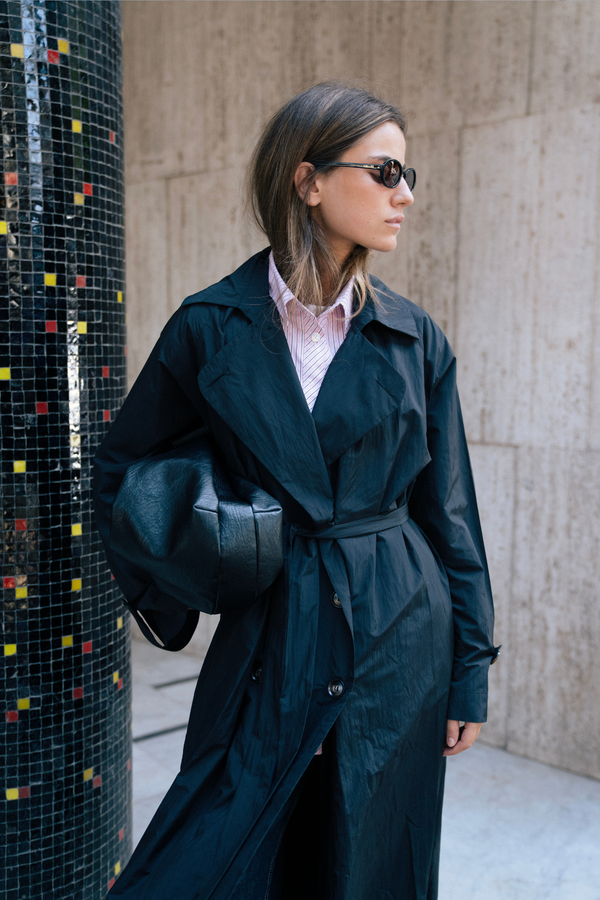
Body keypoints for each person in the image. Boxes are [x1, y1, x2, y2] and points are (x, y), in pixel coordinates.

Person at [94, 82, 499, 900]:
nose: (406, 195)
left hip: (398, 629)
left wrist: (469, 670)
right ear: (308, 180)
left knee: (370, 852)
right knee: (217, 847)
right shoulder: (211, 325)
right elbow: (125, 473)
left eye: (407, 172)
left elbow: (449, 514)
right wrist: (203, 557)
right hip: (270, 627)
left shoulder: (414, 338)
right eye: (385, 171)